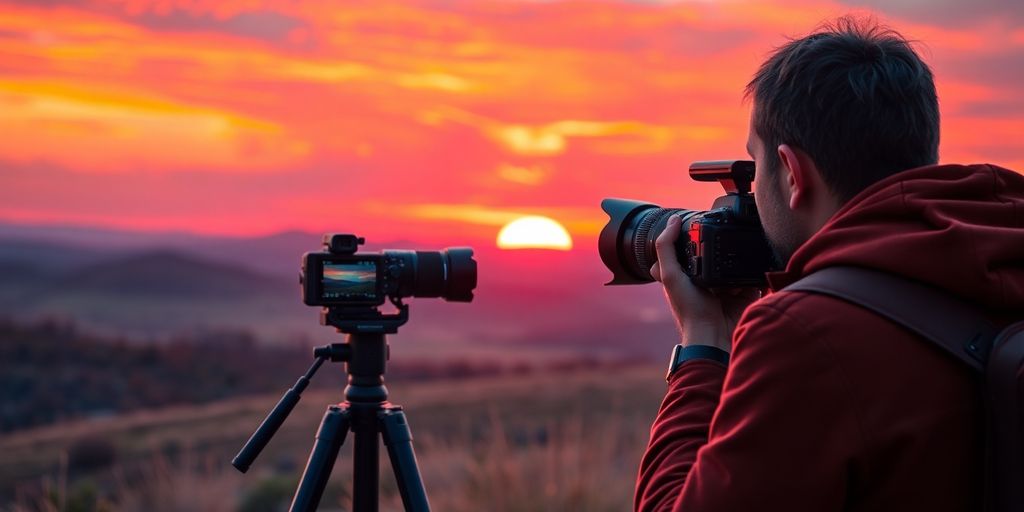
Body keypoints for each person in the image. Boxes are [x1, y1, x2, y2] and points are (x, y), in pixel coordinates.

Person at [635, 16, 1024, 512]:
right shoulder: (1003, 262)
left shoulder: (806, 333)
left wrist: (703, 344)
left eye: (757, 166)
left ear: (792, 174)